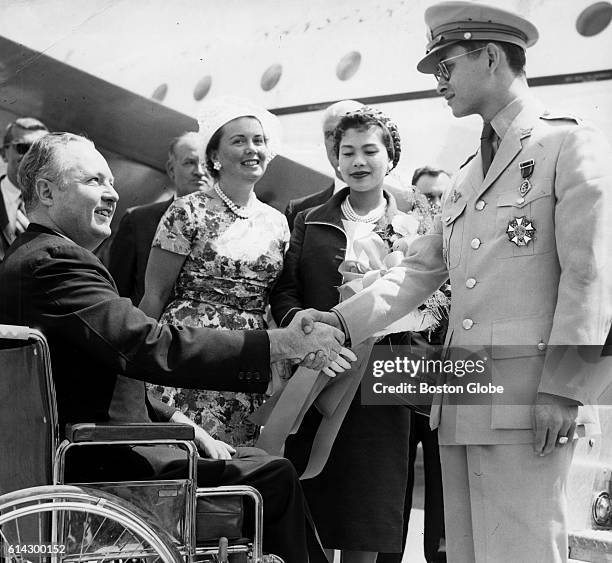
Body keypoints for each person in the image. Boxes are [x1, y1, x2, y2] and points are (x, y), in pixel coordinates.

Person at [320, 3, 612, 562]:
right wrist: (339, 321)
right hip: (465, 394)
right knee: (469, 553)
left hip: (534, 400)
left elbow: (591, 276)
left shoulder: (569, 146)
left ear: (491, 56)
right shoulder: (466, 173)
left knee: (523, 550)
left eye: (445, 66)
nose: (438, 83)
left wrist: (566, 389)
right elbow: (421, 269)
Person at [0, 132, 352, 563]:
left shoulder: (32, 258)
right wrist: (280, 343)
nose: (111, 193)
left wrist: (182, 419)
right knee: (273, 474)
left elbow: (109, 363)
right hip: (108, 463)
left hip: (104, 448)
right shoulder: (53, 263)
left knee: (252, 458)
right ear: (46, 191)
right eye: (94, 180)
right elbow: (148, 344)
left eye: (112, 181)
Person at [271, 107, 440, 563]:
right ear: (336, 158)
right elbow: (285, 290)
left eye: (370, 151)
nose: (358, 162)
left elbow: (434, 299)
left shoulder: (417, 220)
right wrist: (303, 326)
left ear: (391, 157)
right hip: (319, 372)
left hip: (385, 379)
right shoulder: (308, 218)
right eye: (348, 152)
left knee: (370, 507)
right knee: (319, 500)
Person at [139, 99, 296, 447]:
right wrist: (134, 365)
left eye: (259, 140)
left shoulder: (278, 222)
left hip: (249, 359)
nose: (252, 148)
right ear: (215, 156)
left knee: (236, 466)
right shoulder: (186, 212)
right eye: (238, 140)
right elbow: (155, 294)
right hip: (187, 354)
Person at [108, 132, 210, 304]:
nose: (200, 172)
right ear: (171, 169)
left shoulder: (235, 224)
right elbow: (118, 293)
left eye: (206, 164)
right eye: (189, 163)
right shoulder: (137, 220)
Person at [284, 99, 363, 230]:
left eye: (344, 132)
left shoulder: (403, 209)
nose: (337, 142)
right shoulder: (299, 211)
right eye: (330, 134)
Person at [0, 116, 49, 261]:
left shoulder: (56, 206)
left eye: (39, 151)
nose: (30, 157)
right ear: (4, 154)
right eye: (23, 148)